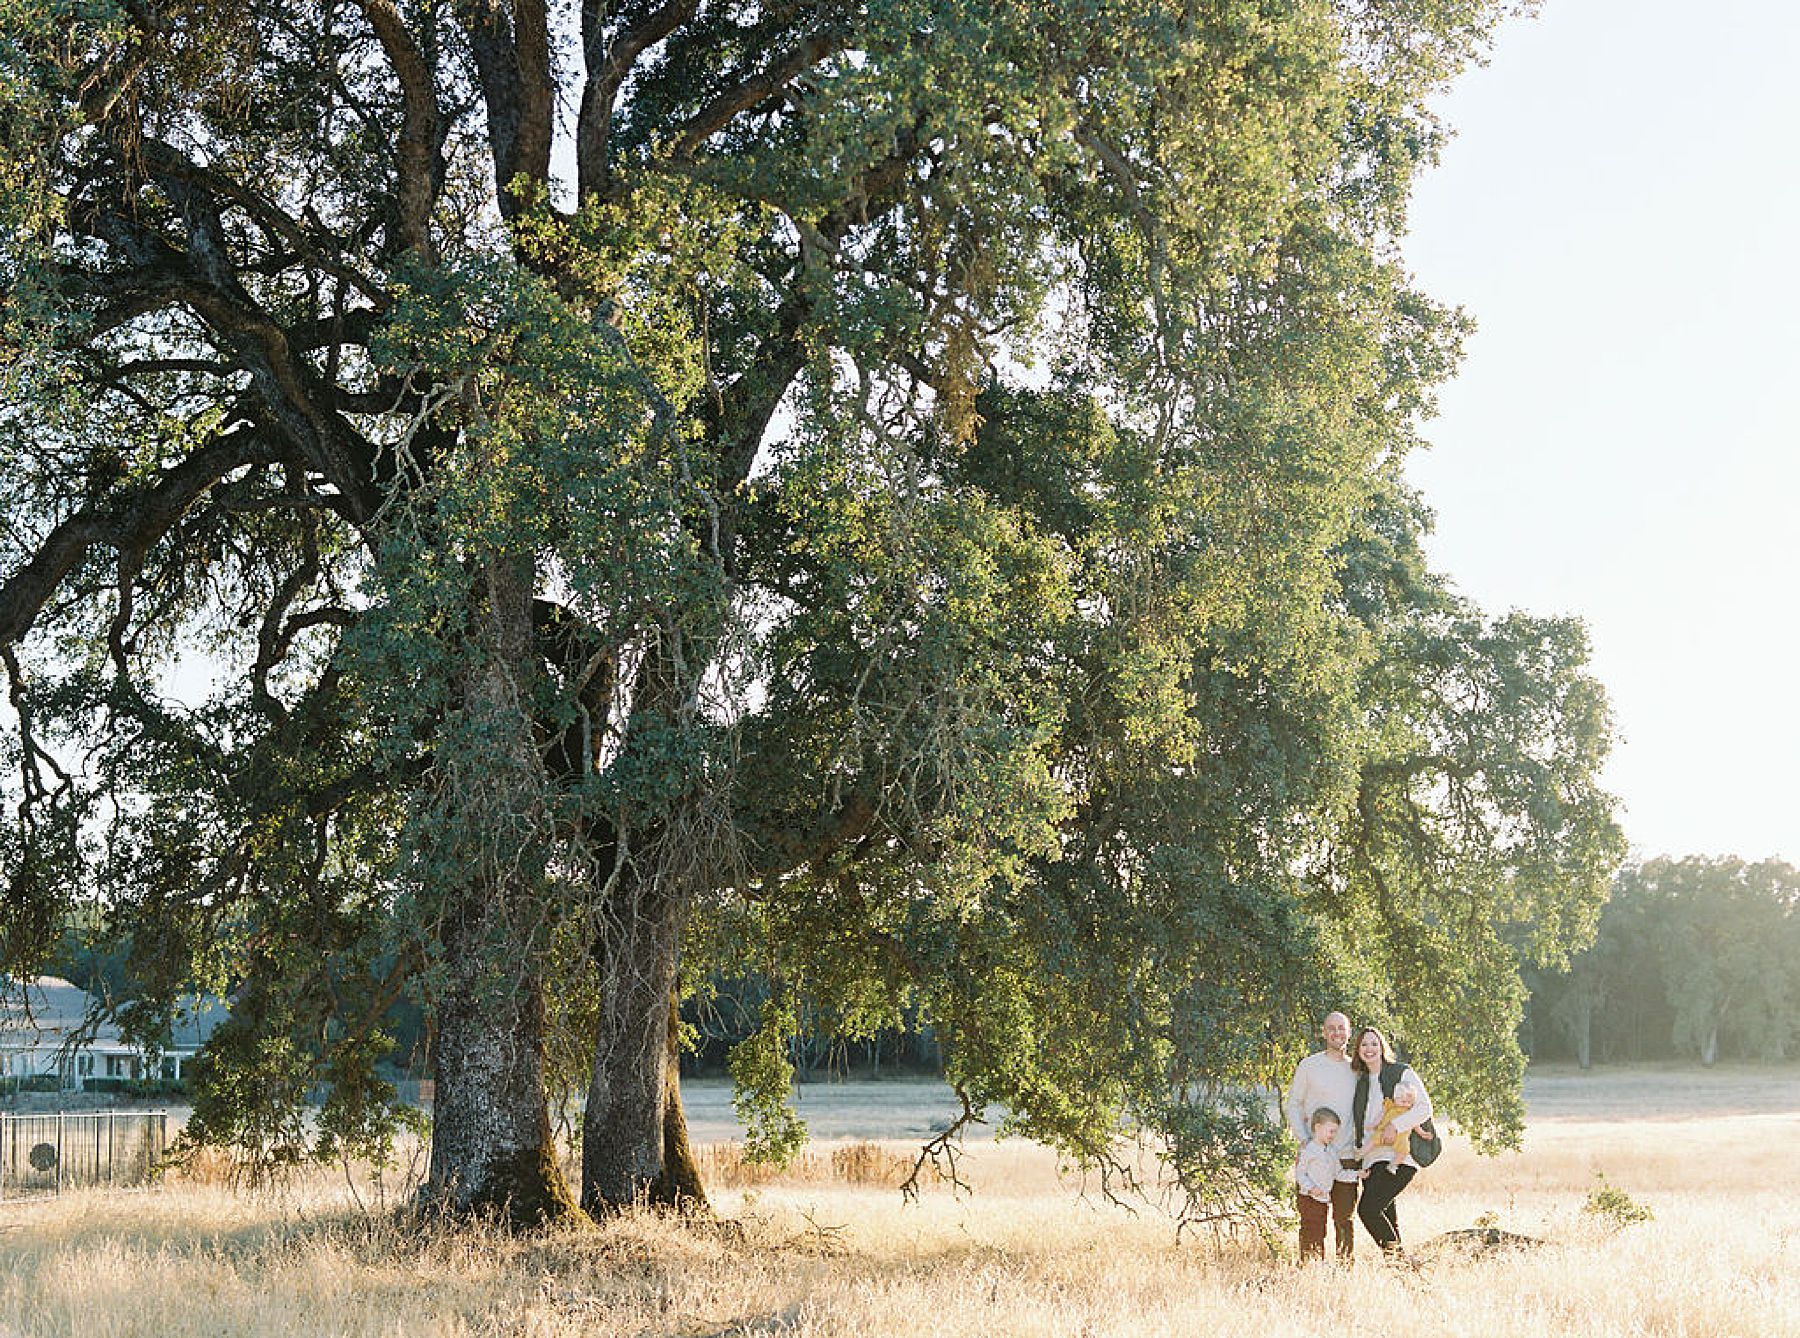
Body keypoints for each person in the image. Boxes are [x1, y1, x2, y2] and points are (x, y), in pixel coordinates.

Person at [1351, 1025, 1434, 1260]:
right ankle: (1402, 1273)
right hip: (1373, 1159)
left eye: (1374, 1043)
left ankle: (1403, 1262)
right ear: (1357, 1050)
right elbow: (1361, 1124)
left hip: (1401, 1157)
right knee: (1387, 1218)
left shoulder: (1401, 1072)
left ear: (1382, 1046)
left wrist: (1395, 1126)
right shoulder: (1361, 1082)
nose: (1369, 1049)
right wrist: (1361, 1161)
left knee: (1368, 1210)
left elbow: (1425, 1108)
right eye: (1364, 1044)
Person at [1284, 1011, 1359, 1260]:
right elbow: (1294, 1104)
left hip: (1347, 1156)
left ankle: (1343, 1271)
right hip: (1315, 1157)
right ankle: (1311, 1271)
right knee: (1312, 1222)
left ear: (1349, 1033)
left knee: (1344, 1220)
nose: (1337, 1032)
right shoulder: (1309, 1065)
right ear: (1324, 1032)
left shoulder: (1357, 1069)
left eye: (1342, 1028)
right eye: (1332, 1028)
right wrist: (1305, 1141)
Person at [1293, 1108, 1343, 1261]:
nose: (1333, 1136)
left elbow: (1338, 1173)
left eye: (1335, 1132)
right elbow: (1300, 1174)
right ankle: (1307, 1261)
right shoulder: (1309, 1150)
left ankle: (1317, 1262)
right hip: (1308, 1198)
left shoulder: (1332, 1152)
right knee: (1309, 1230)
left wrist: (1357, 1175)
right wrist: (1310, 1188)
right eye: (1331, 1131)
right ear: (1318, 1128)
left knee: (1320, 1231)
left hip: (1322, 1200)